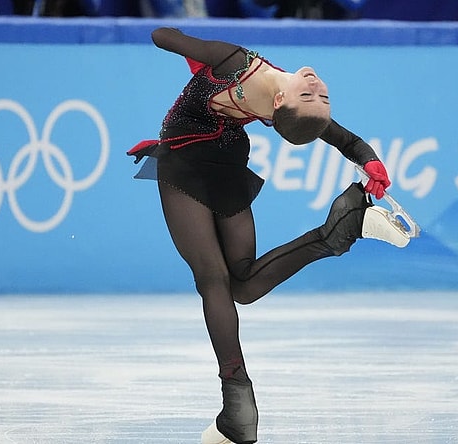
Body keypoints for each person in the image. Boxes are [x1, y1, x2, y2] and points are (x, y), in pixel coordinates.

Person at [127, 27, 407, 444]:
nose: (316, 89)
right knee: (237, 284)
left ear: (278, 105)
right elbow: (345, 140)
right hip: (213, 163)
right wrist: (368, 162)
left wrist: (199, 52)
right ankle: (337, 233)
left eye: (314, 97)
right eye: (317, 96)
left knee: (217, 280)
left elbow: (160, 35)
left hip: (190, 163)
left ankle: (238, 407)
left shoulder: (236, 63)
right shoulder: (256, 78)